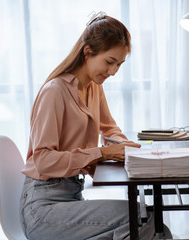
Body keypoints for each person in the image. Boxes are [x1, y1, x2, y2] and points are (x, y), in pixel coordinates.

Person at [19, 12, 156, 240]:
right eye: (110, 62)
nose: (113, 72)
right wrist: (102, 153)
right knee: (144, 220)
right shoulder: (55, 91)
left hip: (71, 197)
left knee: (155, 227)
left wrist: (124, 146)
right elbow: (42, 160)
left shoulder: (93, 87)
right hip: (42, 209)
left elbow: (110, 129)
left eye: (119, 65)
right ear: (87, 52)